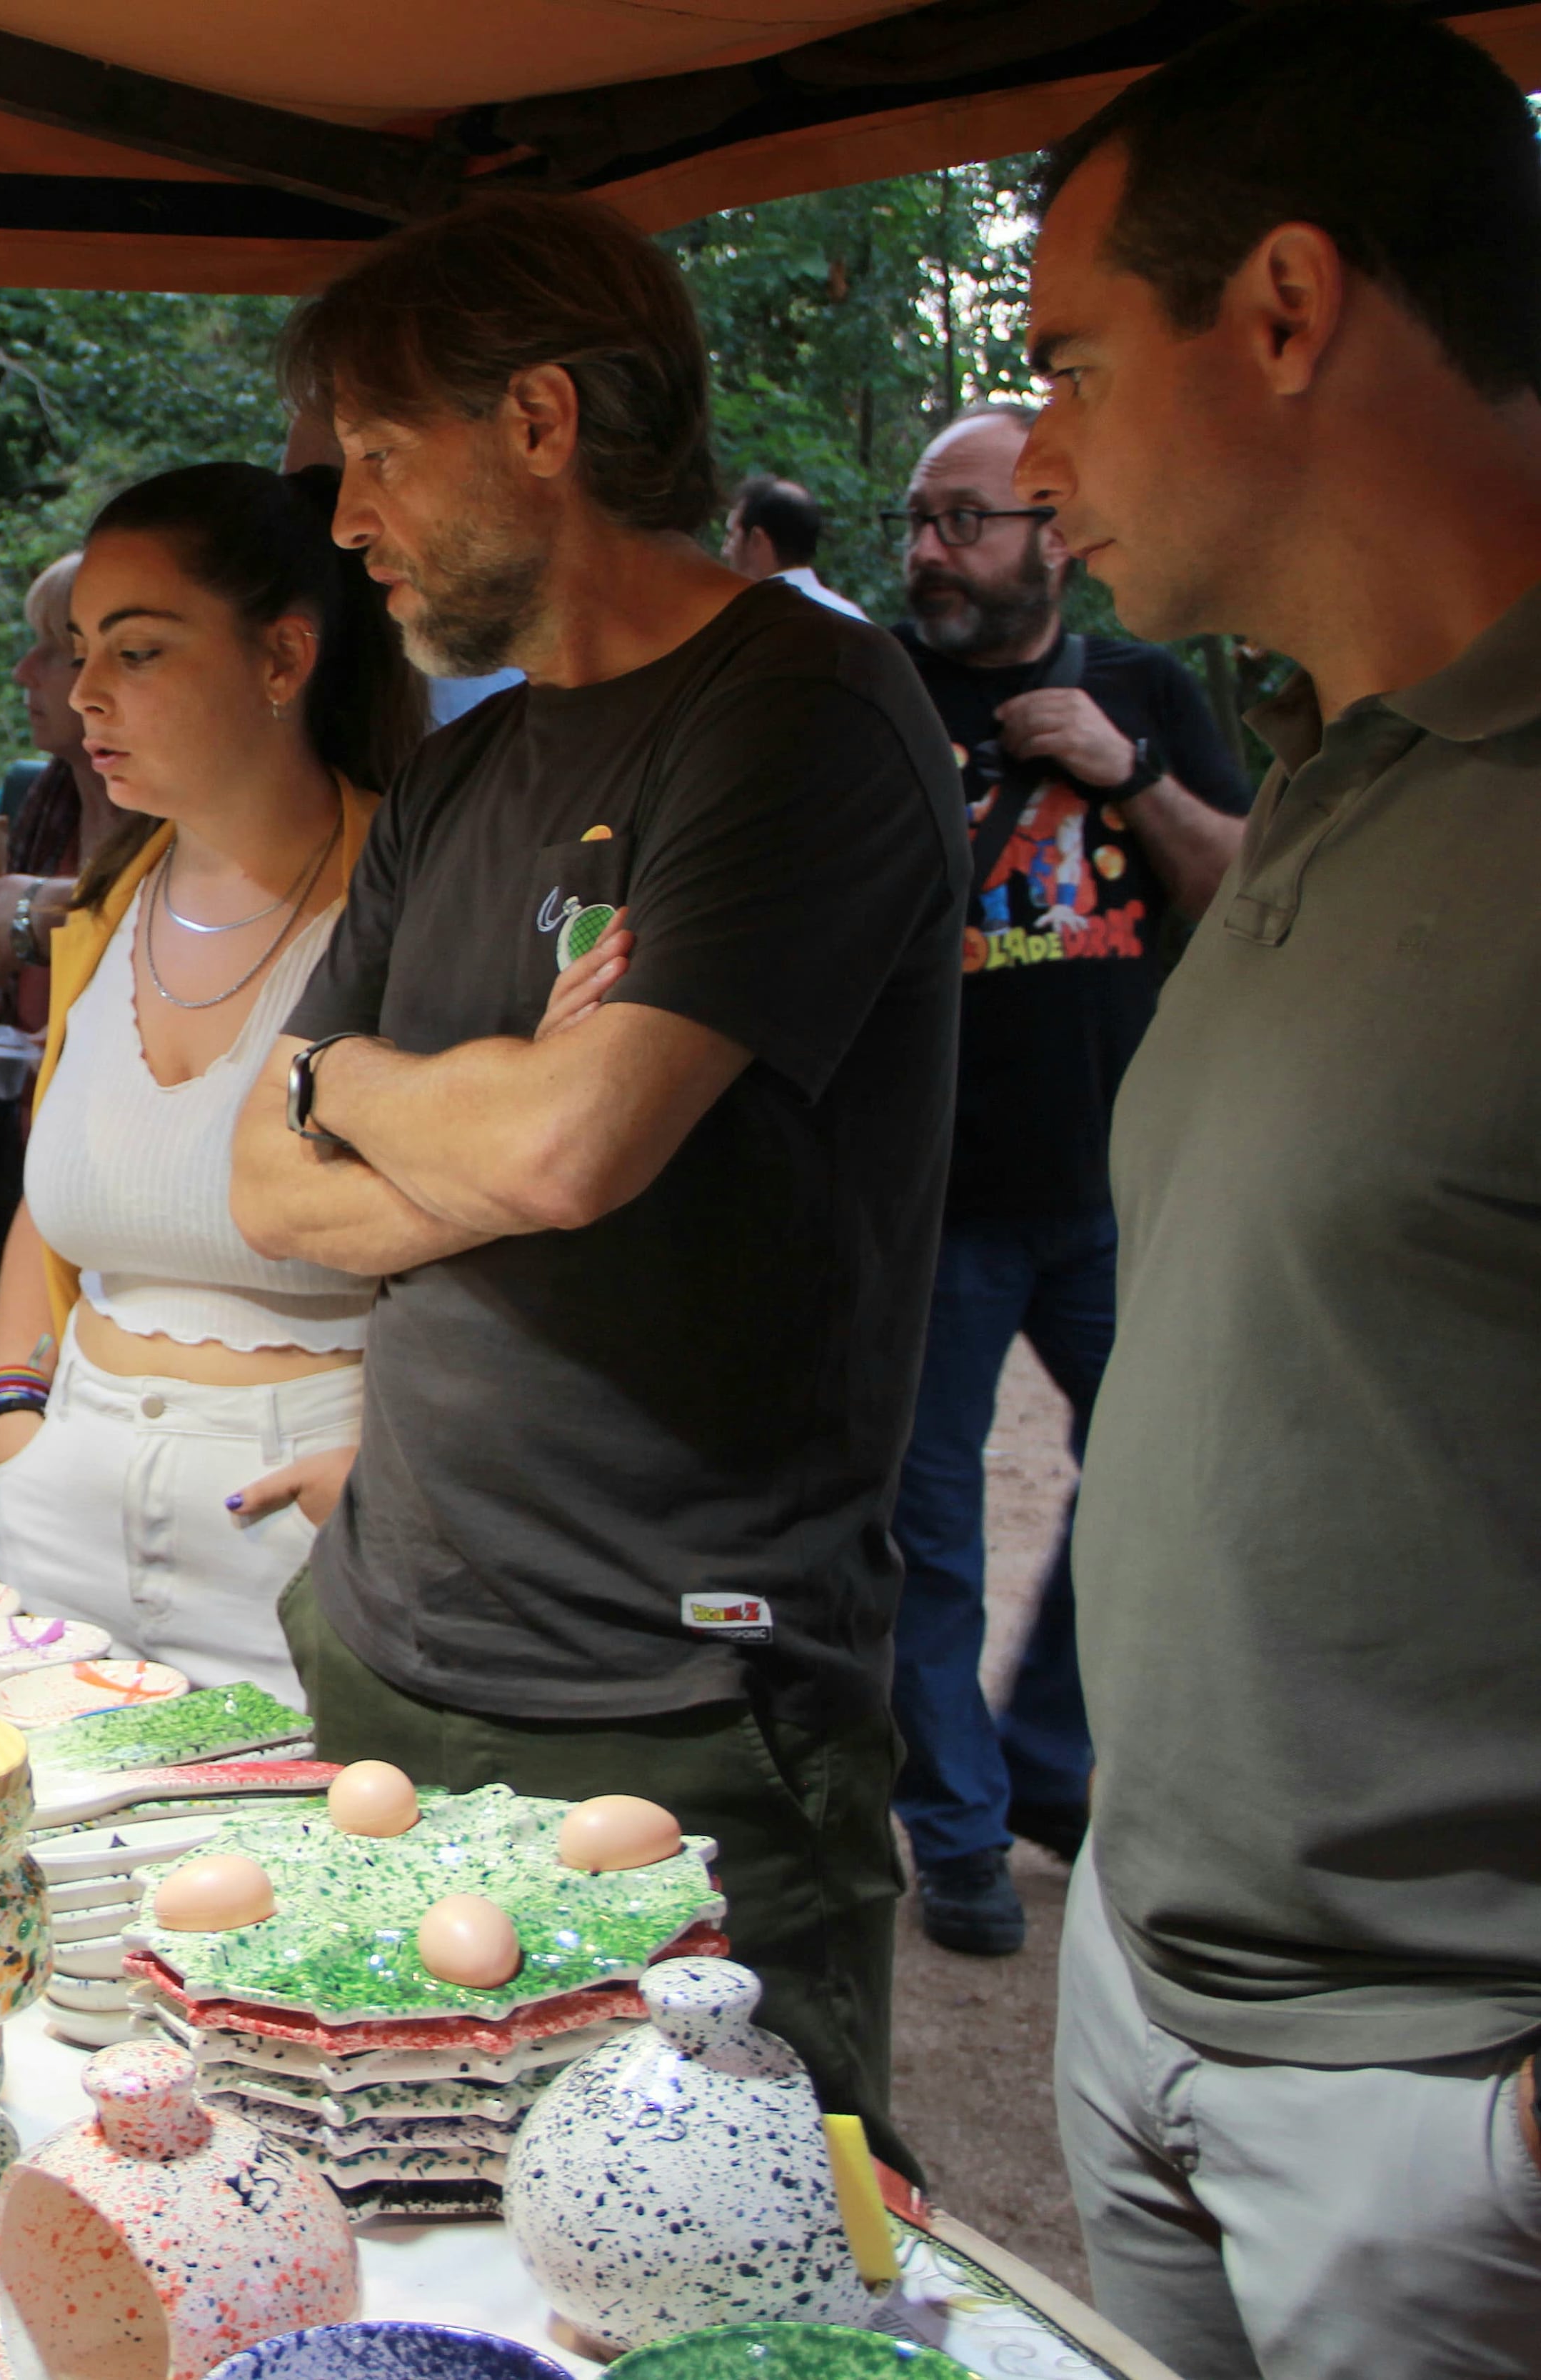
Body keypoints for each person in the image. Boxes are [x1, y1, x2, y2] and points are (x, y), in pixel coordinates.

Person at [232, 189, 964, 2168]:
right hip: (390, 1632)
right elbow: (271, 1179)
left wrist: (384, 1091)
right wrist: (449, 1109)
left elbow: (575, 1141)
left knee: (725, 2269)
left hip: (681, 1697)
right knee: (395, 2226)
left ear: (539, 422)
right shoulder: (472, 773)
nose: (347, 511)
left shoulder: (802, 709)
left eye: (379, 453)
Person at [1011, 9, 1541, 2361]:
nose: (1034, 459)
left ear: (1293, 311)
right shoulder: (1333, 760)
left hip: (1434, 2129)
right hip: (1152, 2001)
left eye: (1072, 366)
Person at [877, 401, 1251, 1960]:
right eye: (917, 519)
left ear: (1051, 534)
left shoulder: (1143, 687)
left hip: (1118, 1188)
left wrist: (1127, 768)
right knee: (929, 1531)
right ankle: (957, 1831)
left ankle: (1049, 1761)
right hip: (935, 1194)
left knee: (1164, 1495)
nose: (930, 551)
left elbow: (1241, 886)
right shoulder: (878, 695)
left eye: (965, 520)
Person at [0, 468, 423, 1706]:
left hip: (310, 1521)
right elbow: (52, 1190)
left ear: (284, 657)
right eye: (80, 652)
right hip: (69, 1495)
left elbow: (520, 1236)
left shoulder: (423, 899)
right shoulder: (112, 902)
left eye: (140, 650)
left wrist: (383, 1471)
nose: (84, 694)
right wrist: (18, 1417)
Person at [0, 553, 124, 1260]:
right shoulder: (23, 804)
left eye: (55, 652)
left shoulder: (195, 828)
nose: (24, 671)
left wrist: (44, 916)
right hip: (25, 1172)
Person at [723, 473, 866, 617]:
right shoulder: (853, 618)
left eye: (732, 535)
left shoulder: (753, 621)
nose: (725, 551)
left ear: (757, 540)